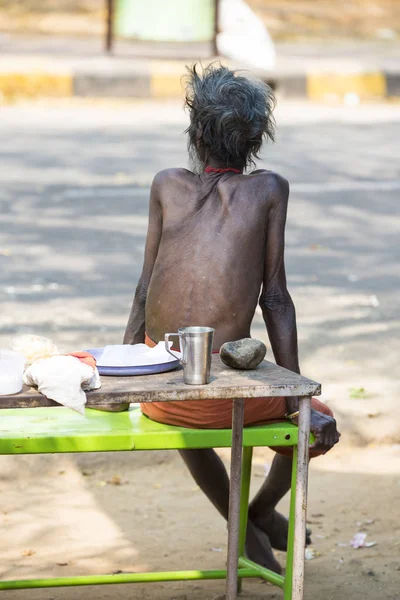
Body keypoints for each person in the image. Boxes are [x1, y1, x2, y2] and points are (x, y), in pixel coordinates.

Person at [124, 64, 340, 573]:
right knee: (316, 419)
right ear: (256, 138)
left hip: (164, 401)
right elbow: (277, 300)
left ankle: (244, 529)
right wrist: (297, 399)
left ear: (196, 134)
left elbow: (142, 288)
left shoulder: (166, 184)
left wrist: (126, 370)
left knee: (180, 411)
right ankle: (258, 515)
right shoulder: (268, 189)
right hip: (227, 402)